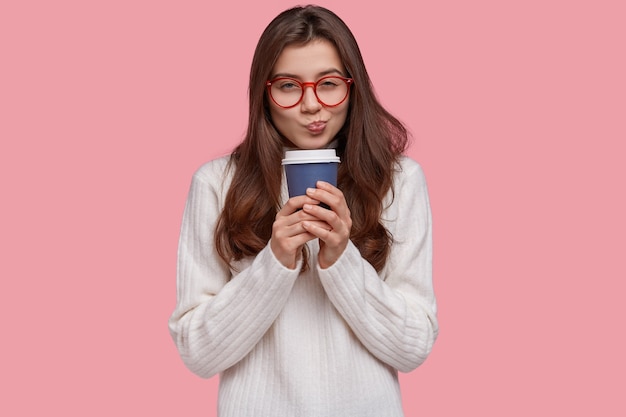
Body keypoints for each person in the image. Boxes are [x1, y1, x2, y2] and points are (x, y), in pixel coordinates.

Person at [168, 5, 438, 416]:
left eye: (328, 83)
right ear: (265, 92)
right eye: (290, 86)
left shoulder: (398, 181)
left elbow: (414, 346)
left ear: (353, 87)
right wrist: (274, 262)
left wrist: (340, 260)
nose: (312, 105)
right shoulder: (216, 184)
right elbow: (197, 353)